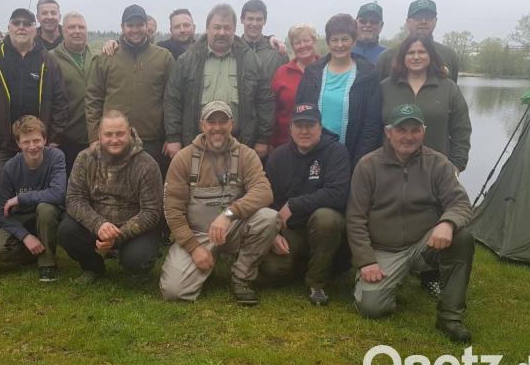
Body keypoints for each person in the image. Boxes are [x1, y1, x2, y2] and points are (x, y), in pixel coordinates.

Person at [347, 104, 475, 343]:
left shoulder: (439, 163)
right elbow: (355, 218)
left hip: (423, 245)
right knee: (372, 308)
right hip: (383, 249)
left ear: (423, 131)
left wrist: (447, 223)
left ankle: (450, 317)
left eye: (415, 130)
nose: (408, 136)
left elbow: (461, 204)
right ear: (388, 132)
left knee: (462, 238)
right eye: (401, 130)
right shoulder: (367, 165)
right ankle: (390, 281)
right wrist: (366, 261)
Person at [160, 101, 278, 305]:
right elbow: (172, 211)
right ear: (202, 125)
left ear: (231, 124)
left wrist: (229, 214)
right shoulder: (183, 158)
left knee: (269, 217)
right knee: (174, 292)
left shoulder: (246, 155)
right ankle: (205, 263)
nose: (217, 127)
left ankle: (242, 277)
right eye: (211, 121)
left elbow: (264, 192)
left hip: (233, 230)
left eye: (222, 121)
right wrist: (193, 247)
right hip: (198, 235)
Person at [58, 110, 163, 283]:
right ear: (99, 135)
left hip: (133, 229)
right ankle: (93, 268)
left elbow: (151, 212)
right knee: (66, 231)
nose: (114, 140)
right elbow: (74, 198)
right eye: (108, 134)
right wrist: (98, 225)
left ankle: (136, 267)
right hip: (97, 226)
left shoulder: (147, 164)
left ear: (129, 132)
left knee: (137, 259)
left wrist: (117, 236)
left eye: (120, 134)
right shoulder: (85, 158)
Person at [260, 104, 350, 305]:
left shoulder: (336, 152)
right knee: (272, 271)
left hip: (322, 227)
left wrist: (294, 204)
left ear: (320, 127)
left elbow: (338, 194)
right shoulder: (278, 156)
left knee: (326, 218)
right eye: (298, 125)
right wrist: (274, 233)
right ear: (290, 129)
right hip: (290, 230)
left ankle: (316, 283)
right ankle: (307, 263)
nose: (304, 131)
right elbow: (268, 199)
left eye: (310, 125)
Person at [0, 7, 68, 196]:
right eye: (17, 23)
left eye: (27, 24)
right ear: (9, 26)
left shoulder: (48, 60)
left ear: (35, 28)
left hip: (37, 142)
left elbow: (60, 101)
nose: (21, 28)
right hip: (0, 141)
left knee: (38, 186)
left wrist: (55, 138)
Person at [163, 4, 273, 160]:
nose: (222, 33)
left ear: (235, 29)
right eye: (217, 27)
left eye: (227, 28)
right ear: (207, 28)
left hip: (240, 145)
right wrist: (173, 138)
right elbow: (173, 100)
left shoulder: (251, 61)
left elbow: (265, 102)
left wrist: (263, 139)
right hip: (197, 144)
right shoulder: (188, 60)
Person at [85, 4, 175, 175]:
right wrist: (94, 137)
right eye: (130, 25)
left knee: (150, 193)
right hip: (114, 140)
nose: (135, 30)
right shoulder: (106, 58)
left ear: (146, 26)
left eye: (139, 25)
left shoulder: (163, 58)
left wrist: (172, 137)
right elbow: (93, 99)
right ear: (122, 27)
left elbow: (172, 100)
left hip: (152, 142)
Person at [0, 115, 66, 282]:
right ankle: (34, 252)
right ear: (18, 144)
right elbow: (0, 210)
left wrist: (20, 198)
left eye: (36, 140)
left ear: (45, 139)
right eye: (26, 142)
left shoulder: (56, 157)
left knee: (46, 208)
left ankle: (47, 264)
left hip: (49, 215)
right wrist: (25, 236)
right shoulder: (10, 167)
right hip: (22, 217)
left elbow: (58, 193)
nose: (32, 146)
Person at [295, 13, 383, 168]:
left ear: (354, 41)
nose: (339, 45)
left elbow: (372, 123)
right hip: (312, 153)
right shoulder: (313, 72)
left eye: (345, 39)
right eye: (334, 40)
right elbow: (299, 111)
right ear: (328, 42)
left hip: (351, 155)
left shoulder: (368, 75)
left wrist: (360, 161)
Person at [381, 35, 471, 172]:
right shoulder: (385, 87)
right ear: (402, 57)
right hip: (390, 169)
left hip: (436, 171)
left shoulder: (449, 88)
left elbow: (461, 130)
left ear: (431, 56)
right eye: (410, 53)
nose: (416, 57)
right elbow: (372, 127)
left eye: (422, 52)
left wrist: (456, 166)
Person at [51, 11, 95, 175]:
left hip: (94, 137)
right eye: (71, 27)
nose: (77, 31)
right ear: (63, 31)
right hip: (65, 137)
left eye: (81, 27)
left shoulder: (98, 58)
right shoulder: (50, 59)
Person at [376, 0, 460, 83]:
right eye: (418, 18)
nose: (423, 21)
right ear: (408, 22)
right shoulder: (386, 57)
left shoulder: (449, 55)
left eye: (429, 18)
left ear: (435, 21)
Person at [270, 24, 320, 148]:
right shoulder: (282, 72)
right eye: (297, 42)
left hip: (320, 143)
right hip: (285, 142)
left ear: (314, 41)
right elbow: (272, 109)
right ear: (292, 46)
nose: (303, 45)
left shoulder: (328, 68)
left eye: (306, 41)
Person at [240, 0, 289, 83]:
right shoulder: (232, 50)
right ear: (242, 20)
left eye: (259, 19)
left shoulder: (278, 54)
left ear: (265, 21)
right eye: (250, 19)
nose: (254, 24)